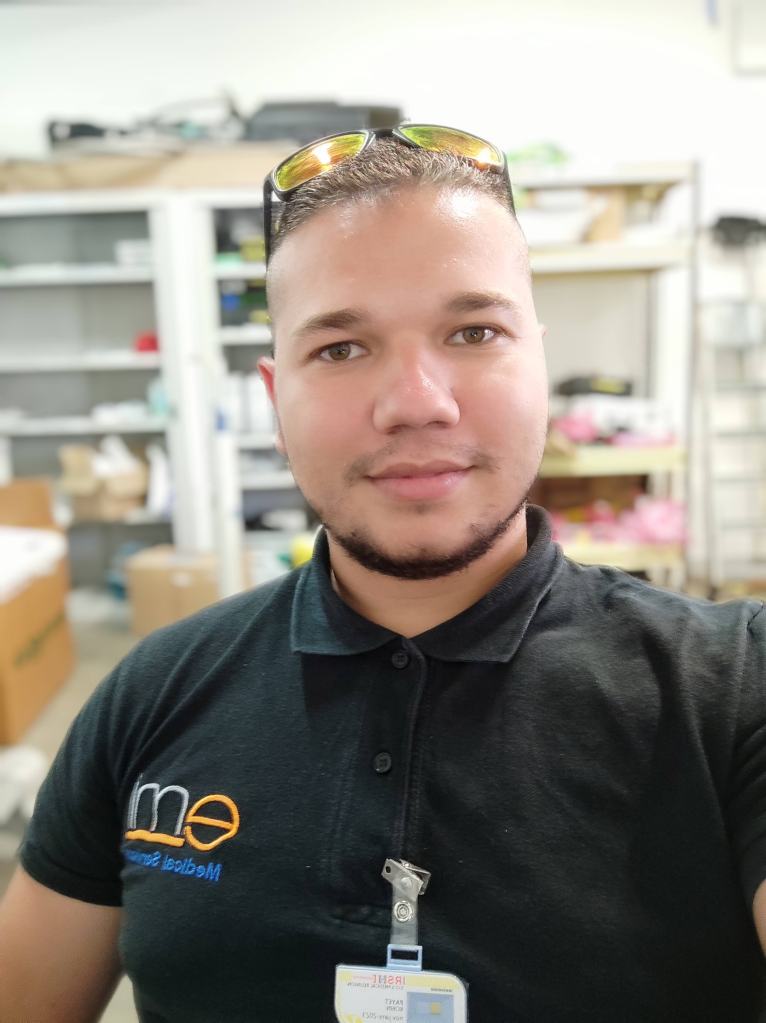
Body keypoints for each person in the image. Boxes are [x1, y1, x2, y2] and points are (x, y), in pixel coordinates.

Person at [0, 123, 764, 1023]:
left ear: (540, 366)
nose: (417, 403)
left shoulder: (733, 689)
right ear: (275, 400)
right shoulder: (151, 693)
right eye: (341, 348)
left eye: (474, 330)